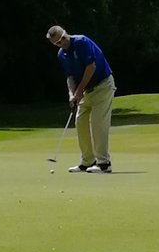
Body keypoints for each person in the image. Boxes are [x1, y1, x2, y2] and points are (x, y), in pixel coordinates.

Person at [46, 25, 116, 173]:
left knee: (98, 123)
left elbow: (91, 67)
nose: (62, 43)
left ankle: (104, 163)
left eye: (62, 38)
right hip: (86, 91)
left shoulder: (81, 42)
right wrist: (72, 94)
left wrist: (79, 90)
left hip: (103, 85)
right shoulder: (61, 55)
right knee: (80, 121)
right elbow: (70, 76)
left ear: (65, 33)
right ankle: (88, 161)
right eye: (57, 43)